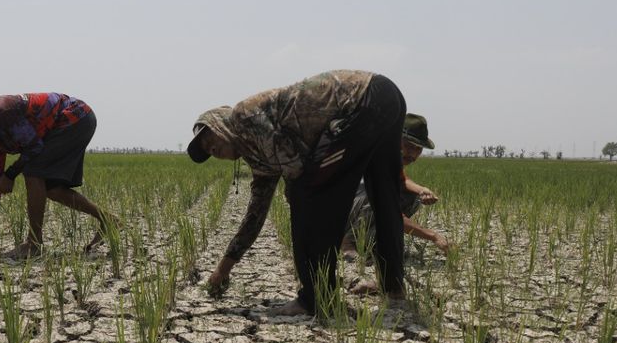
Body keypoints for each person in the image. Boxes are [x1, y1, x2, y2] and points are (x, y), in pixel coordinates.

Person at [187, 70, 406, 316]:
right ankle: (393, 288)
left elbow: (296, 170)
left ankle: (314, 299)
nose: (212, 149)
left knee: (307, 195)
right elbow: (255, 217)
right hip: (386, 96)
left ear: (221, 122)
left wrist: (299, 198)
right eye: (207, 151)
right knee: (383, 193)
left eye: (209, 138)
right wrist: (223, 270)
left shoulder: (242, 116)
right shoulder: (260, 161)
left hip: (362, 102)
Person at [0, 93, 114, 260]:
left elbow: (34, 147)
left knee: (33, 173)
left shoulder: (2, 111)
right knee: (51, 189)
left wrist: (10, 174)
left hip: (75, 117)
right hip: (61, 128)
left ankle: (34, 244)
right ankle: (109, 220)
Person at [342, 113, 451, 263]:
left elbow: (401, 179)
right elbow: (392, 212)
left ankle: (370, 240)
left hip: (351, 210)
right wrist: (433, 236)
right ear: (394, 138)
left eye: (418, 149)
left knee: (412, 196)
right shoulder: (376, 155)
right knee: (376, 194)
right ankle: (348, 242)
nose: (412, 154)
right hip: (333, 216)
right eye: (408, 146)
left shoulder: (391, 158)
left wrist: (421, 190)